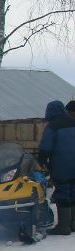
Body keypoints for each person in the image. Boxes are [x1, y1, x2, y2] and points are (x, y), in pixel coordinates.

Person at [38, 100, 75, 235]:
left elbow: (45, 147)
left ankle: (64, 227)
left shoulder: (52, 127)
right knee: (73, 192)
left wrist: (41, 161)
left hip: (62, 166)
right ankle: (73, 224)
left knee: (63, 194)